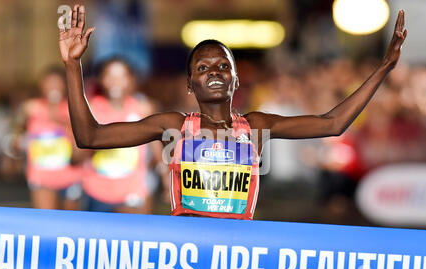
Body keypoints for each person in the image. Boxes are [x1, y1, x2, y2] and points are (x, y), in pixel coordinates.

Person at [58, 5, 407, 220]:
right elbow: (90, 137)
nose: (213, 71)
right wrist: (73, 66)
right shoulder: (175, 127)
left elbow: (332, 123)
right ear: (189, 84)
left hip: (237, 255)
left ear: (236, 79)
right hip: (187, 253)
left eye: (223, 65)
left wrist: (383, 68)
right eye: (203, 67)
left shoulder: (255, 126)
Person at [80, 57, 163, 214]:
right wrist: (95, 142)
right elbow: (77, 155)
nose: (115, 82)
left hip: (133, 191)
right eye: (109, 76)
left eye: (121, 76)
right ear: (101, 79)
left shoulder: (144, 108)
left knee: (135, 237)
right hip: (96, 191)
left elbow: (157, 148)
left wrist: (166, 179)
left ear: (132, 80)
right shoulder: (91, 109)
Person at [13, 66, 84, 210]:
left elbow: (83, 137)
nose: (53, 87)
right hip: (41, 178)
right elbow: (18, 135)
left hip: (71, 177)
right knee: (46, 222)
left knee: (70, 225)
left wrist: (59, 119)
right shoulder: (31, 108)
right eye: (49, 83)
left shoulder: (74, 108)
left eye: (57, 83)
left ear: (65, 85)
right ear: (41, 85)